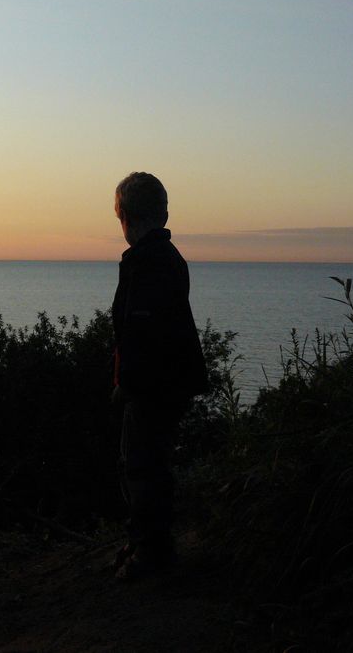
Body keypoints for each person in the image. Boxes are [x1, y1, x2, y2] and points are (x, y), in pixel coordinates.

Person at [109, 172, 208, 581]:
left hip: (154, 383)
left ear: (125, 217)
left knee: (142, 466)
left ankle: (150, 552)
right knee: (151, 463)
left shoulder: (146, 261)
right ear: (163, 212)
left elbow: (140, 329)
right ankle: (147, 542)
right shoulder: (169, 257)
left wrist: (126, 383)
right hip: (172, 379)